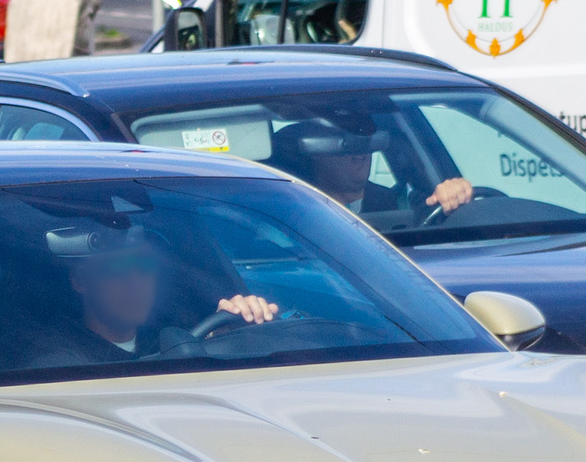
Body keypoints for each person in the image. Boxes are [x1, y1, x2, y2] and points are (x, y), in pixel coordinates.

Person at [47, 225, 275, 360]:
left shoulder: (162, 338)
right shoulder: (59, 364)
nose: (134, 281)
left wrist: (220, 339)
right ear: (80, 281)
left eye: (145, 266)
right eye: (117, 267)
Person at [267, 118, 473, 219]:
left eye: (367, 140)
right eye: (345, 142)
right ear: (315, 152)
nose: (361, 150)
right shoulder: (289, 212)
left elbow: (437, 219)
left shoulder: (400, 204)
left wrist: (456, 194)